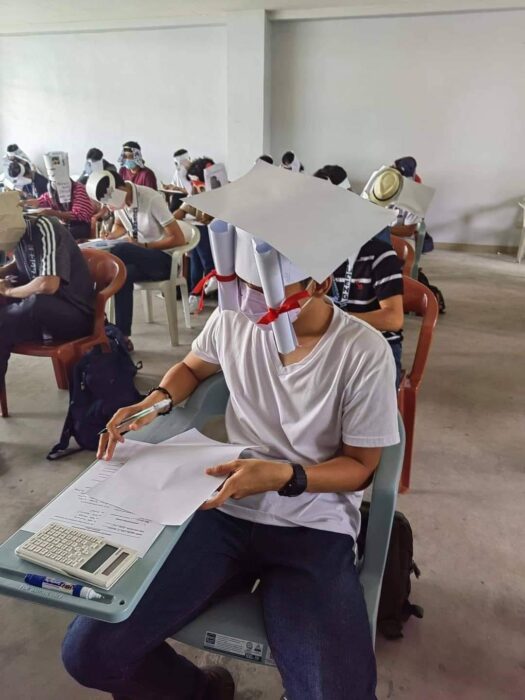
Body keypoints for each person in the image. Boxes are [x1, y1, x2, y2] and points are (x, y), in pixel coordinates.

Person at [62, 170, 399, 700]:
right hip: (222, 509)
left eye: (263, 291)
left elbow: (360, 466)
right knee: (90, 652)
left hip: (312, 523)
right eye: (237, 288)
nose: (247, 306)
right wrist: (157, 399)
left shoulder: (362, 353)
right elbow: (193, 368)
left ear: (320, 282)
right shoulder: (236, 317)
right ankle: (199, 691)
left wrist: (285, 476)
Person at [314, 166, 404, 387]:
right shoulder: (317, 254)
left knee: (363, 397)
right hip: (333, 340)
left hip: (377, 343)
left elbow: (393, 319)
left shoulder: (379, 254)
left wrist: (340, 321)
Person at [0, 191, 95, 395]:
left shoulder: (46, 226)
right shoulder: (17, 235)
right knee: (7, 314)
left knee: (31, 303)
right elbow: (22, 264)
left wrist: (8, 290)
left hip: (75, 314)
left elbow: (48, 284)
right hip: (44, 314)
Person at [86, 170, 189, 348]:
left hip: (163, 260)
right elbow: (120, 225)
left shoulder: (151, 199)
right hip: (137, 258)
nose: (110, 207)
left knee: (121, 250)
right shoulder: (119, 201)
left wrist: (144, 247)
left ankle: (93, 303)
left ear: (119, 188)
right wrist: (111, 236)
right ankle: (122, 337)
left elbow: (178, 238)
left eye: (109, 201)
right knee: (121, 274)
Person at [174, 157, 217, 313]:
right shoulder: (196, 189)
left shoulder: (221, 187)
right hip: (201, 234)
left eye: (197, 183)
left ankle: (198, 291)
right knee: (196, 256)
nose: (194, 186)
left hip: (218, 237)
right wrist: (169, 220)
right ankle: (202, 286)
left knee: (199, 243)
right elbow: (184, 209)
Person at [24, 151, 94, 241]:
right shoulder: (53, 189)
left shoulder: (78, 189)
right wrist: (25, 203)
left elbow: (77, 215)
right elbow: (42, 200)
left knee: (57, 236)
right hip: (65, 224)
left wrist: (54, 213)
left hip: (81, 226)